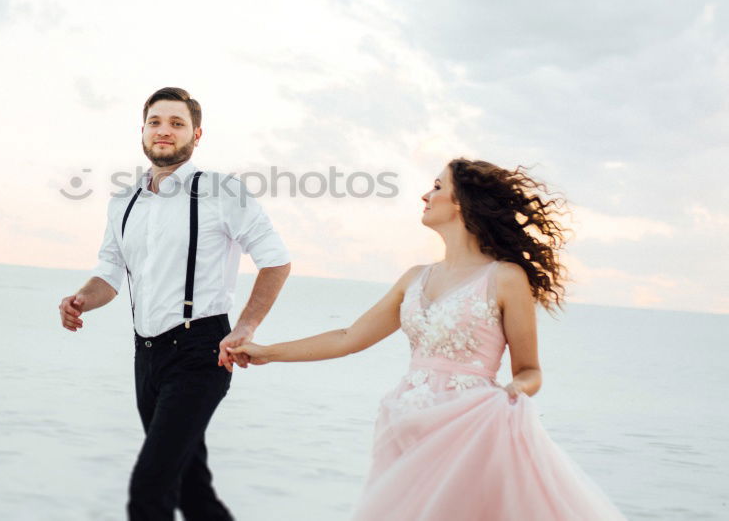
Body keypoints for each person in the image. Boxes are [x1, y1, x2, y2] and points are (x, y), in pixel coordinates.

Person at [228, 158, 626, 520]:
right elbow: (348, 337)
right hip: (404, 421)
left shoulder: (505, 278)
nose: (425, 194)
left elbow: (529, 370)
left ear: (462, 203)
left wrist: (511, 393)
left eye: (437, 186)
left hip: (469, 428)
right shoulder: (415, 277)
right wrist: (268, 352)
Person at [59, 87, 292, 521]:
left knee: (149, 488)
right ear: (142, 131)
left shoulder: (223, 191)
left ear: (197, 134)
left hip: (200, 352)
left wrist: (245, 327)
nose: (164, 131)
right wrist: (82, 300)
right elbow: (110, 271)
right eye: (155, 122)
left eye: (177, 123)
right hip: (145, 357)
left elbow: (275, 261)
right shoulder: (123, 200)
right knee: (190, 488)